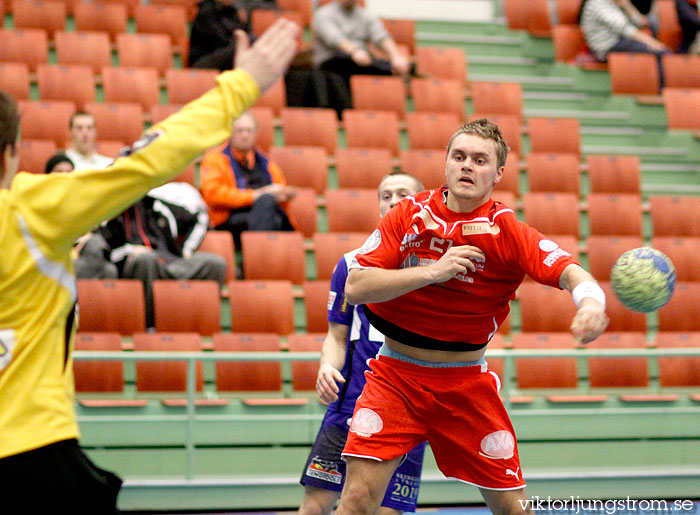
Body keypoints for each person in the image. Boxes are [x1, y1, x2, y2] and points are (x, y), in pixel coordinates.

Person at [0, 19, 299, 513]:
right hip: (28, 444)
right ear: (11, 154)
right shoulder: (29, 209)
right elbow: (148, 161)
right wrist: (241, 85)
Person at [334, 119, 609, 514]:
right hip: (395, 378)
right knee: (357, 499)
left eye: (480, 160)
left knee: (514, 509)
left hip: (465, 387)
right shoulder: (408, 214)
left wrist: (591, 304)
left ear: (497, 173)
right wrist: (433, 271)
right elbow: (355, 286)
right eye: (459, 156)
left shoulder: (507, 230)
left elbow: (569, 271)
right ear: (446, 164)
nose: (467, 166)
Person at [298, 171, 426, 515]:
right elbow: (336, 337)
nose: (393, 200)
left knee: (385, 511)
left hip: (407, 411)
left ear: (420, 203)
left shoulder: (434, 268)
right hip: (349, 406)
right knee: (315, 506)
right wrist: (327, 364)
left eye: (402, 193)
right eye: (385, 195)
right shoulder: (351, 264)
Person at [100, 190, 226, 328]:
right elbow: (106, 253)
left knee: (215, 264)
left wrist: (187, 249)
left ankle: (201, 326)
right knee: (146, 259)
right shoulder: (107, 213)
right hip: (133, 265)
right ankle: (150, 327)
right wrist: (132, 250)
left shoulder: (157, 205)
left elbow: (200, 217)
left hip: (169, 260)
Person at [200, 110, 295, 249]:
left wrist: (284, 195)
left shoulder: (266, 163)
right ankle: (256, 258)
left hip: (262, 218)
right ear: (230, 133)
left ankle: (255, 258)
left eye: (249, 131)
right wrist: (256, 196)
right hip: (228, 219)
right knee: (267, 203)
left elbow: (280, 190)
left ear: (256, 134)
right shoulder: (215, 159)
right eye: (240, 130)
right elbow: (213, 195)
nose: (244, 135)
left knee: (274, 217)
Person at [45, 152, 119, 279]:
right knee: (96, 247)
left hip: (84, 255)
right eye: (59, 172)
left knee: (109, 269)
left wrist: (85, 240)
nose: (65, 176)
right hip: (59, 257)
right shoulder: (43, 204)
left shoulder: (83, 203)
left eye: (69, 172)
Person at [312, 0, 411, 92]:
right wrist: (355, 52)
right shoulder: (323, 14)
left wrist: (395, 56)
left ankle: (389, 69)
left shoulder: (365, 15)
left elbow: (381, 36)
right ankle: (387, 69)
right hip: (330, 63)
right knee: (345, 59)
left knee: (400, 66)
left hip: (360, 63)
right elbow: (335, 39)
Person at [579, 0, 671, 63]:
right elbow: (624, 29)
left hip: (622, 42)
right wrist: (653, 43)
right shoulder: (597, 3)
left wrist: (627, 6)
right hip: (608, 48)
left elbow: (642, 23)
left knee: (662, 52)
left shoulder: (614, 3)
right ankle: (661, 89)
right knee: (659, 53)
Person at [188, 0, 251, 70]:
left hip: (221, 54)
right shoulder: (206, 11)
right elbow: (221, 40)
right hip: (202, 61)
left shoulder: (232, 11)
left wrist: (244, 23)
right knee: (241, 46)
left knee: (250, 42)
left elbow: (244, 33)